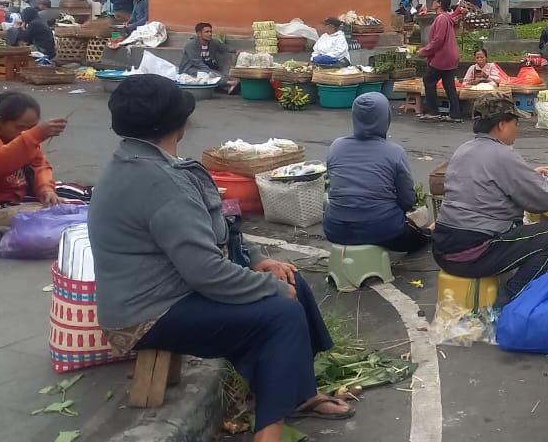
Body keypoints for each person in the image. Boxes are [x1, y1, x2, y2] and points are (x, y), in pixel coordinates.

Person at [88, 75, 353, 442]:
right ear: (178, 122)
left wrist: (256, 259)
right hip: (148, 315)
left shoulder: (143, 161)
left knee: (291, 281)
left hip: (169, 292)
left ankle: (300, 394)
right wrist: (266, 286)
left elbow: (217, 232)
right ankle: (269, 434)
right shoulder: (160, 182)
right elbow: (206, 273)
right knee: (282, 312)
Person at [433, 95, 548, 304]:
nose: (516, 129)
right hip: (473, 253)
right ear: (501, 125)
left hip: (443, 250)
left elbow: (491, 183)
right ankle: (507, 301)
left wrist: (530, 176)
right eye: (515, 123)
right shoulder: (502, 154)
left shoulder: (464, 149)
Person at [325, 92, 430, 254]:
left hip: (335, 230)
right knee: (422, 237)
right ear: (385, 118)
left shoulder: (336, 146)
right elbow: (407, 199)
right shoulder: (394, 152)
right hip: (382, 230)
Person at [0, 92, 67, 231]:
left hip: (17, 192)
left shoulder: (24, 139)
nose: (25, 133)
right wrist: (34, 135)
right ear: (0, 121)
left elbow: (40, 164)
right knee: (56, 218)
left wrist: (46, 190)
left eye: (32, 127)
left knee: (72, 200)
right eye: (19, 128)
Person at [418, 0, 462, 122]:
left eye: (435, 0)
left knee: (428, 80)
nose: (433, 2)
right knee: (449, 84)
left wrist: (424, 51)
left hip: (443, 57)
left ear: (439, 3)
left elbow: (438, 40)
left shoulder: (441, 18)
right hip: (450, 56)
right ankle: (455, 114)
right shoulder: (446, 17)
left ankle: (432, 111)